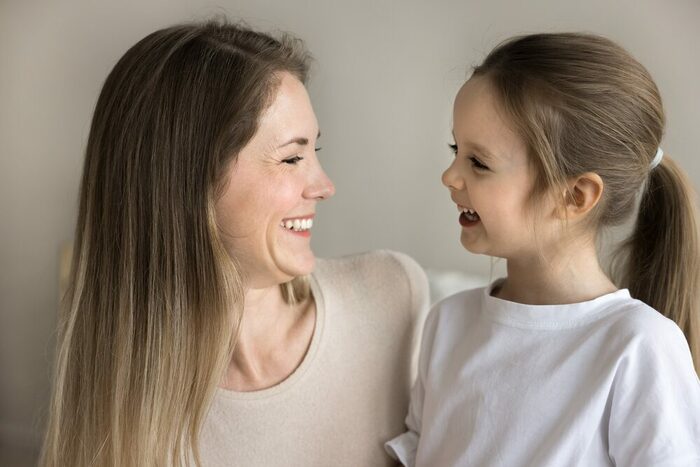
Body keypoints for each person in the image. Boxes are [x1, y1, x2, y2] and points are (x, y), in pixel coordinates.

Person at [41, 20, 429, 467]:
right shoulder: (119, 412)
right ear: (187, 184)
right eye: (291, 158)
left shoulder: (391, 297)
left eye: (313, 153)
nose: (323, 186)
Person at [386, 33, 700, 466]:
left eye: (478, 162)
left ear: (574, 196)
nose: (450, 175)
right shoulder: (448, 323)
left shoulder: (638, 345)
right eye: (456, 149)